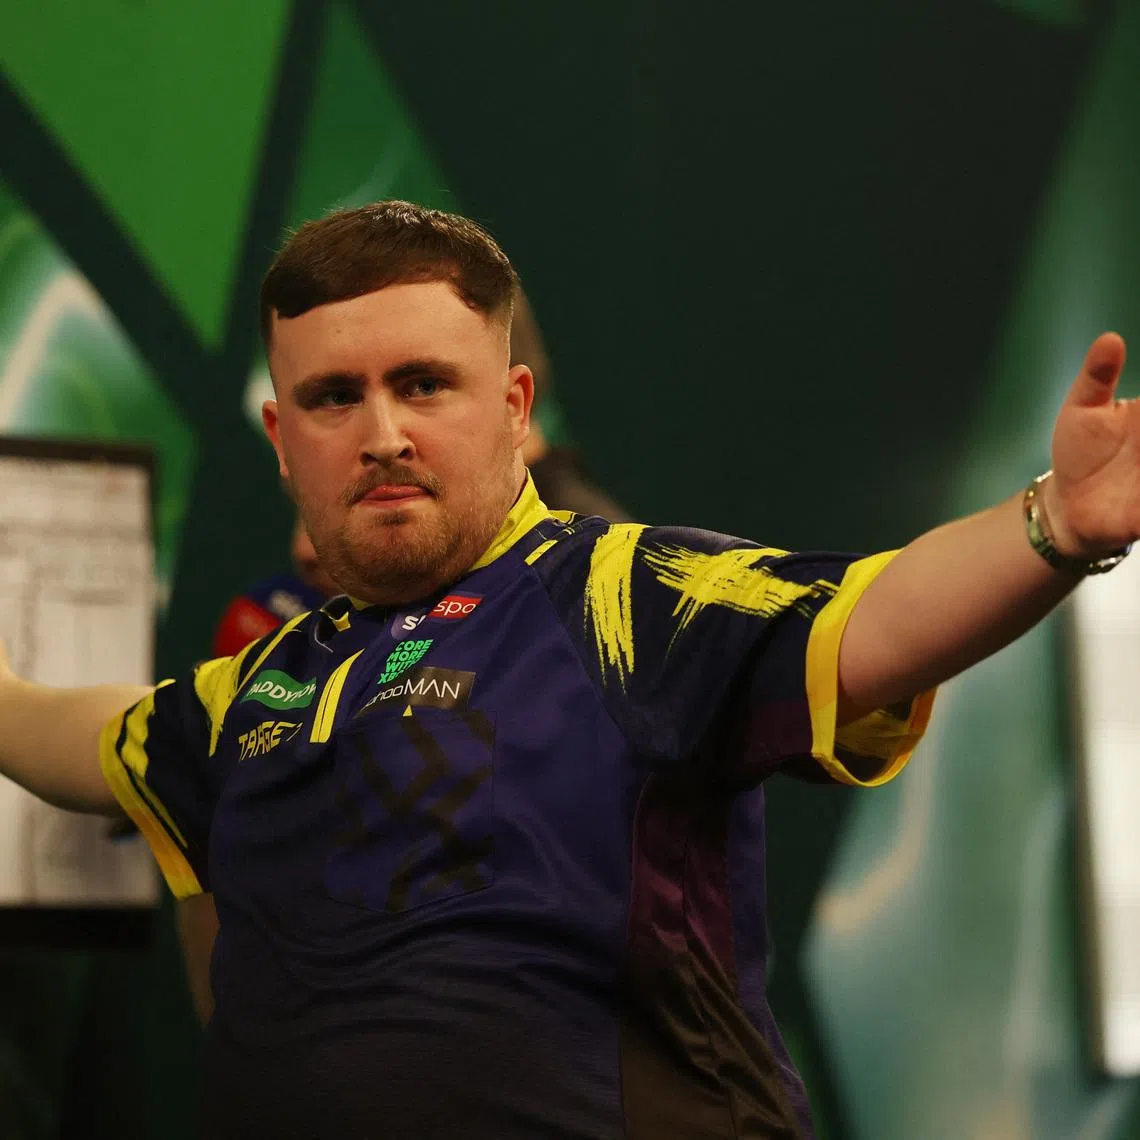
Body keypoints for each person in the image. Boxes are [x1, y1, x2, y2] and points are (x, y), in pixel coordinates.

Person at [0, 201, 1135, 1140]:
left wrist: (1054, 525)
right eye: (334, 397)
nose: (382, 430)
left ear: (514, 409)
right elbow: (70, 736)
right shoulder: (247, 695)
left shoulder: (626, 595)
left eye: (424, 383)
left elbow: (880, 612)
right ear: (282, 438)